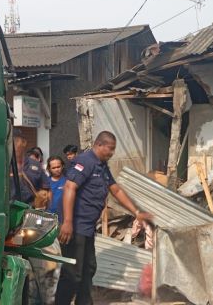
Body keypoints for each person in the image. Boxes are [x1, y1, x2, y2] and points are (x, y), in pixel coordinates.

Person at [55, 131, 153, 305]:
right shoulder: (85, 161)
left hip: (87, 228)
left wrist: (136, 212)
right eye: (111, 149)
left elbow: (116, 190)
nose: (112, 153)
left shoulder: (102, 165)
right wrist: (67, 222)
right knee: (73, 273)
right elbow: (70, 188)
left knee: (88, 269)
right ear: (99, 145)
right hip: (75, 226)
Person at [10, 130, 50, 208]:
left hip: (31, 209)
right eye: (12, 141)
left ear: (24, 143)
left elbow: (45, 188)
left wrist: (41, 200)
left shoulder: (36, 165)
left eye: (17, 141)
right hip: (8, 209)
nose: (15, 144)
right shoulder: (2, 164)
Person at [47, 155, 66, 223]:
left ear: (62, 166)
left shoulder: (68, 182)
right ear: (49, 169)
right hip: (48, 219)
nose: (56, 169)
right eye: (53, 168)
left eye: (58, 167)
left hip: (63, 220)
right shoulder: (45, 182)